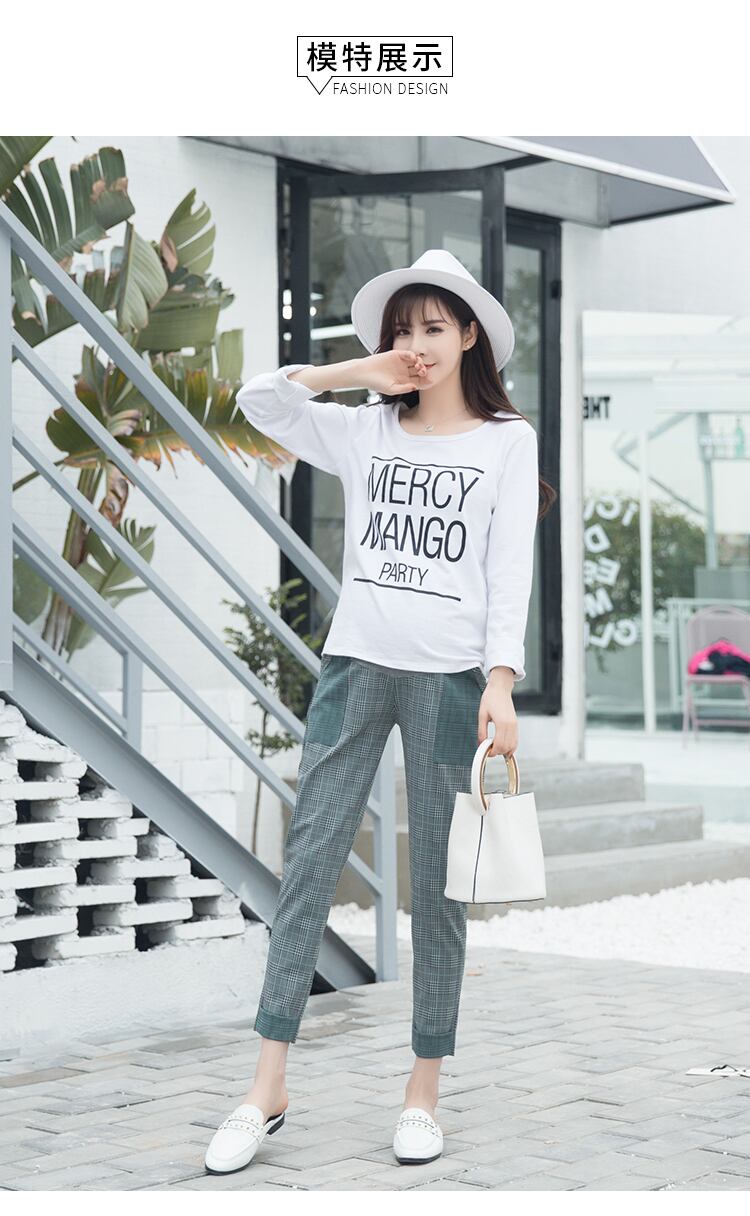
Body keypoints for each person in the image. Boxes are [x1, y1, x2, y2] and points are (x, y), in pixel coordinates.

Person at [204, 249, 557, 1175]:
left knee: (440, 891)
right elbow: (261, 402)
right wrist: (361, 372)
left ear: (471, 333)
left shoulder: (506, 441)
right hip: (356, 666)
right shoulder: (366, 429)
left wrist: (501, 682)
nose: (418, 345)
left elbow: (508, 572)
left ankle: (422, 1091)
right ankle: (266, 1085)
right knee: (309, 865)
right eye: (404, 330)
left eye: (434, 327)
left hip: (449, 682)